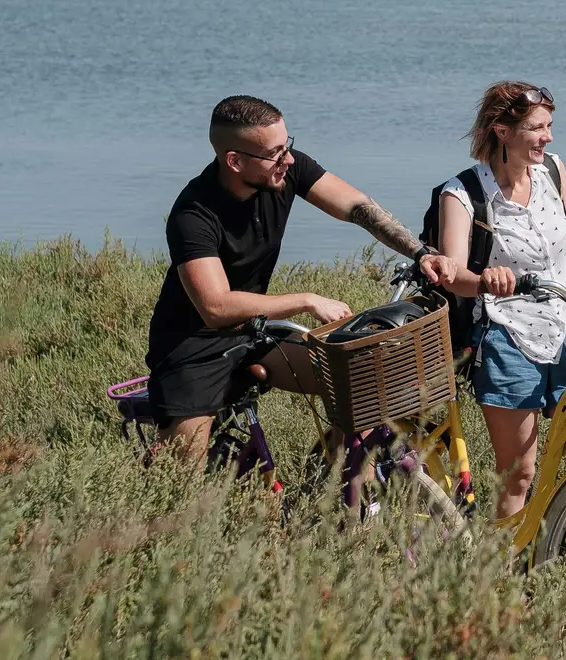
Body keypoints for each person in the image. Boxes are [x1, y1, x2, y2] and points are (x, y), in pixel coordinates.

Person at [146, 94, 454, 461]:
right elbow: (215, 306)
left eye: (288, 145)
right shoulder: (193, 214)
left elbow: (358, 208)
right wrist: (306, 300)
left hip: (257, 331)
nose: (288, 159)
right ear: (235, 160)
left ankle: (348, 494)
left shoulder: (286, 171)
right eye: (276, 152)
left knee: (356, 384)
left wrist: (421, 254)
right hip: (193, 349)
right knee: (181, 482)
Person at [433, 81, 566, 520]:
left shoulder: (553, 170)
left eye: (549, 126)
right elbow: (452, 274)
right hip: (508, 342)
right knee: (518, 473)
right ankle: (501, 577)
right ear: (502, 130)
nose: (548, 137)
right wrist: (484, 280)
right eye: (537, 128)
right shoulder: (462, 194)